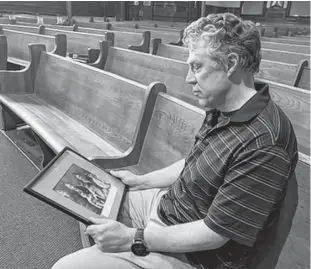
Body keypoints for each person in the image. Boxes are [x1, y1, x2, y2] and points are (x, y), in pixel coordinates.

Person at [52, 13, 298, 269]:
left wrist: (132, 239)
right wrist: (140, 181)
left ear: (232, 63)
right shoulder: (223, 104)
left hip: (196, 255)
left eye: (197, 66)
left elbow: (213, 234)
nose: (189, 78)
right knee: (90, 205)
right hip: (169, 209)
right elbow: (194, 161)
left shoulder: (265, 142)